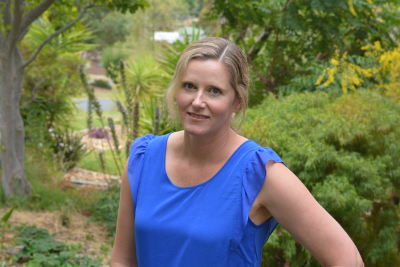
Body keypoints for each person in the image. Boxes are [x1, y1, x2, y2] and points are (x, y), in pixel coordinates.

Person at [110, 37, 364, 267]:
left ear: (237, 102)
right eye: (189, 86)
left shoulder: (258, 173)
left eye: (214, 91)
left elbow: (347, 259)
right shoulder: (144, 158)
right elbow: (123, 260)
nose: (197, 101)